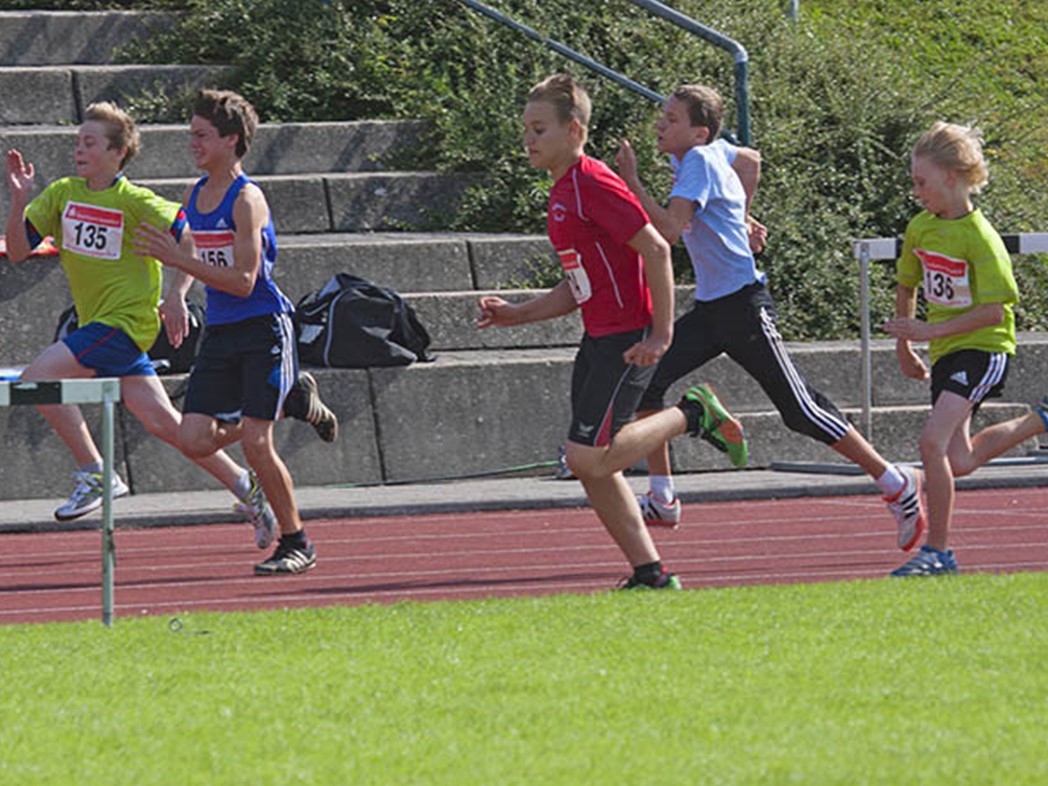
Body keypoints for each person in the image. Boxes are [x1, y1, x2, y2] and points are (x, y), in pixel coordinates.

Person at [616, 84, 926, 552]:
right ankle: (662, 497)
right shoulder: (710, 151)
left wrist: (632, 181)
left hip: (743, 305)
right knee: (648, 377)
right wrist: (742, 214)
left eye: (672, 119)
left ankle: (895, 482)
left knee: (800, 410)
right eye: (663, 115)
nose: (660, 124)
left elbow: (669, 233)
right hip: (712, 307)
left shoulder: (698, 160)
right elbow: (752, 159)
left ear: (699, 132)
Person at [477, 73, 746, 590]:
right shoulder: (563, 190)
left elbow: (658, 249)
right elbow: (577, 285)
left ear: (574, 130)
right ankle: (650, 571)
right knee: (592, 466)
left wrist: (662, 334)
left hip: (627, 336)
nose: (528, 140)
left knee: (589, 456)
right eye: (526, 129)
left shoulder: (594, 182)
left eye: (539, 129)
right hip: (598, 336)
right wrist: (517, 313)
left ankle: (693, 412)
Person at [3, 102, 278, 549]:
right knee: (165, 424)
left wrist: (176, 294)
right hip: (99, 324)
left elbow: (190, 235)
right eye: (77, 142)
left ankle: (95, 473)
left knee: (38, 379)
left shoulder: (136, 201)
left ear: (119, 152)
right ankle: (249, 488)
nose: (79, 150)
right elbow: (17, 251)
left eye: (90, 143)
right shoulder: (61, 194)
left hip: (127, 323)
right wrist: (18, 201)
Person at [134, 89, 317, 575]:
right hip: (221, 330)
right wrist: (176, 292)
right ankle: (289, 402)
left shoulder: (247, 199)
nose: (191, 142)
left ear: (231, 140)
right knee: (193, 438)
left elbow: (243, 279)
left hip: (262, 327)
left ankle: (296, 541)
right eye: (190, 133)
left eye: (201, 135)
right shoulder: (195, 194)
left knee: (258, 443)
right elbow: (197, 254)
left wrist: (178, 259)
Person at [883, 121, 1020, 576]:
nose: (916, 192)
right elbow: (907, 284)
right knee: (958, 461)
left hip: (982, 347)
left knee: (931, 443)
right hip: (943, 351)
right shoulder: (921, 228)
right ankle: (1041, 419)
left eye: (922, 182)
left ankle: (938, 554)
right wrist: (907, 345)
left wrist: (929, 333)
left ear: (951, 176)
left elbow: (994, 313)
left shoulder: (981, 238)